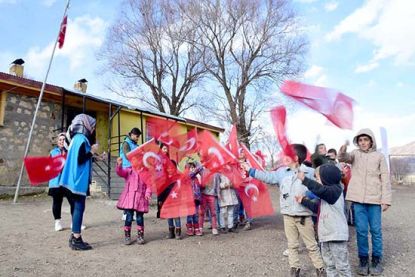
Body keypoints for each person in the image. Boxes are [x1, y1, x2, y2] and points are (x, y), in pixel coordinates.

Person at [241, 144, 325, 277]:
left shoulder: (310, 172)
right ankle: (294, 269)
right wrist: (250, 170)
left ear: (295, 158)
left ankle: (320, 269)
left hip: (304, 216)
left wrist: (309, 197)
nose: (283, 157)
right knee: (292, 245)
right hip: (288, 216)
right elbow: (267, 176)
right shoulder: (281, 173)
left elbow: (320, 189)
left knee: (311, 245)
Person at [338, 128, 391, 276]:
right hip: (358, 199)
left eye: (366, 140)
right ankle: (363, 260)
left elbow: (385, 179)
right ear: (357, 142)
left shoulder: (379, 156)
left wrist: (386, 200)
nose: (363, 143)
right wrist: (342, 149)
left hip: (374, 199)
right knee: (361, 231)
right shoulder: (355, 154)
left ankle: (376, 259)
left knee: (375, 230)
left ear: (371, 141)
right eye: (360, 140)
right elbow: (343, 158)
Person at [296, 164, 352, 277]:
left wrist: (305, 180)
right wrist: (304, 201)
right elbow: (318, 209)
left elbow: (321, 190)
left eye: (317, 178)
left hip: (336, 235)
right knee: (329, 265)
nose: (316, 181)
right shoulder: (326, 195)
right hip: (326, 236)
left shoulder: (335, 191)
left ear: (327, 178)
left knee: (342, 266)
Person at [59, 114, 99, 251]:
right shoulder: (82, 139)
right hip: (77, 181)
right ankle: (76, 238)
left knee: (77, 208)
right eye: (92, 126)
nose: (93, 129)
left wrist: (96, 156)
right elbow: (80, 159)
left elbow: (82, 158)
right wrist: (92, 151)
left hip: (73, 179)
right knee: (79, 208)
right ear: (85, 125)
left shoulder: (77, 139)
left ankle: (75, 236)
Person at [115, 157, 151, 245]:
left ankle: (140, 236)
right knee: (129, 217)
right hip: (130, 199)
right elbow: (120, 173)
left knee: (139, 218)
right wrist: (119, 165)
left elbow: (149, 184)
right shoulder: (129, 171)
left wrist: (147, 194)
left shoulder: (146, 173)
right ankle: (127, 236)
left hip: (140, 198)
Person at [48, 133, 71, 231]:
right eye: (60, 140)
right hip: (56, 182)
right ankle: (57, 222)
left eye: (64, 140)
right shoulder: (53, 152)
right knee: (57, 202)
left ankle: (75, 222)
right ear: (57, 142)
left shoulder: (70, 151)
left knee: (73, 201)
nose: (62, 141)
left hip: (68, 181)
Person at [119, 127, 141, 221]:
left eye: (138, 137)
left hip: (135, 168)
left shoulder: (135, 144)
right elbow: (128, 155)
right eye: (136, 136)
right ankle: (125, 213)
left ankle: (131, 211)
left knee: (134, 190)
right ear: (132, 134)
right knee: (129, 191)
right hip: (127, 168)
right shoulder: (126, 143)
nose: (137, 138)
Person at [198, 170, 220, 236]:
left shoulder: (216, 173)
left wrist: (218, 193)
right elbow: (197, 166)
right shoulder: (203, 171)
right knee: (201, 212)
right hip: (203, 194)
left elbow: (218, 184)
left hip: (212, 195)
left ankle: (214, 228)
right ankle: (200, 228)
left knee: (213, 212)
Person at [185, 162, 203, 236]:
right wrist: (201, 166)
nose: (192, 169)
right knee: (189, 214)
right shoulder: (186, 177)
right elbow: (194, 172)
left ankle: (196, 228)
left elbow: (199, 187)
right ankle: (189, 228)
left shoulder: (196, 178)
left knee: (195, 214)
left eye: (193, 167)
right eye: (190, 168)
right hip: (188, 199)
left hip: (196, 198)